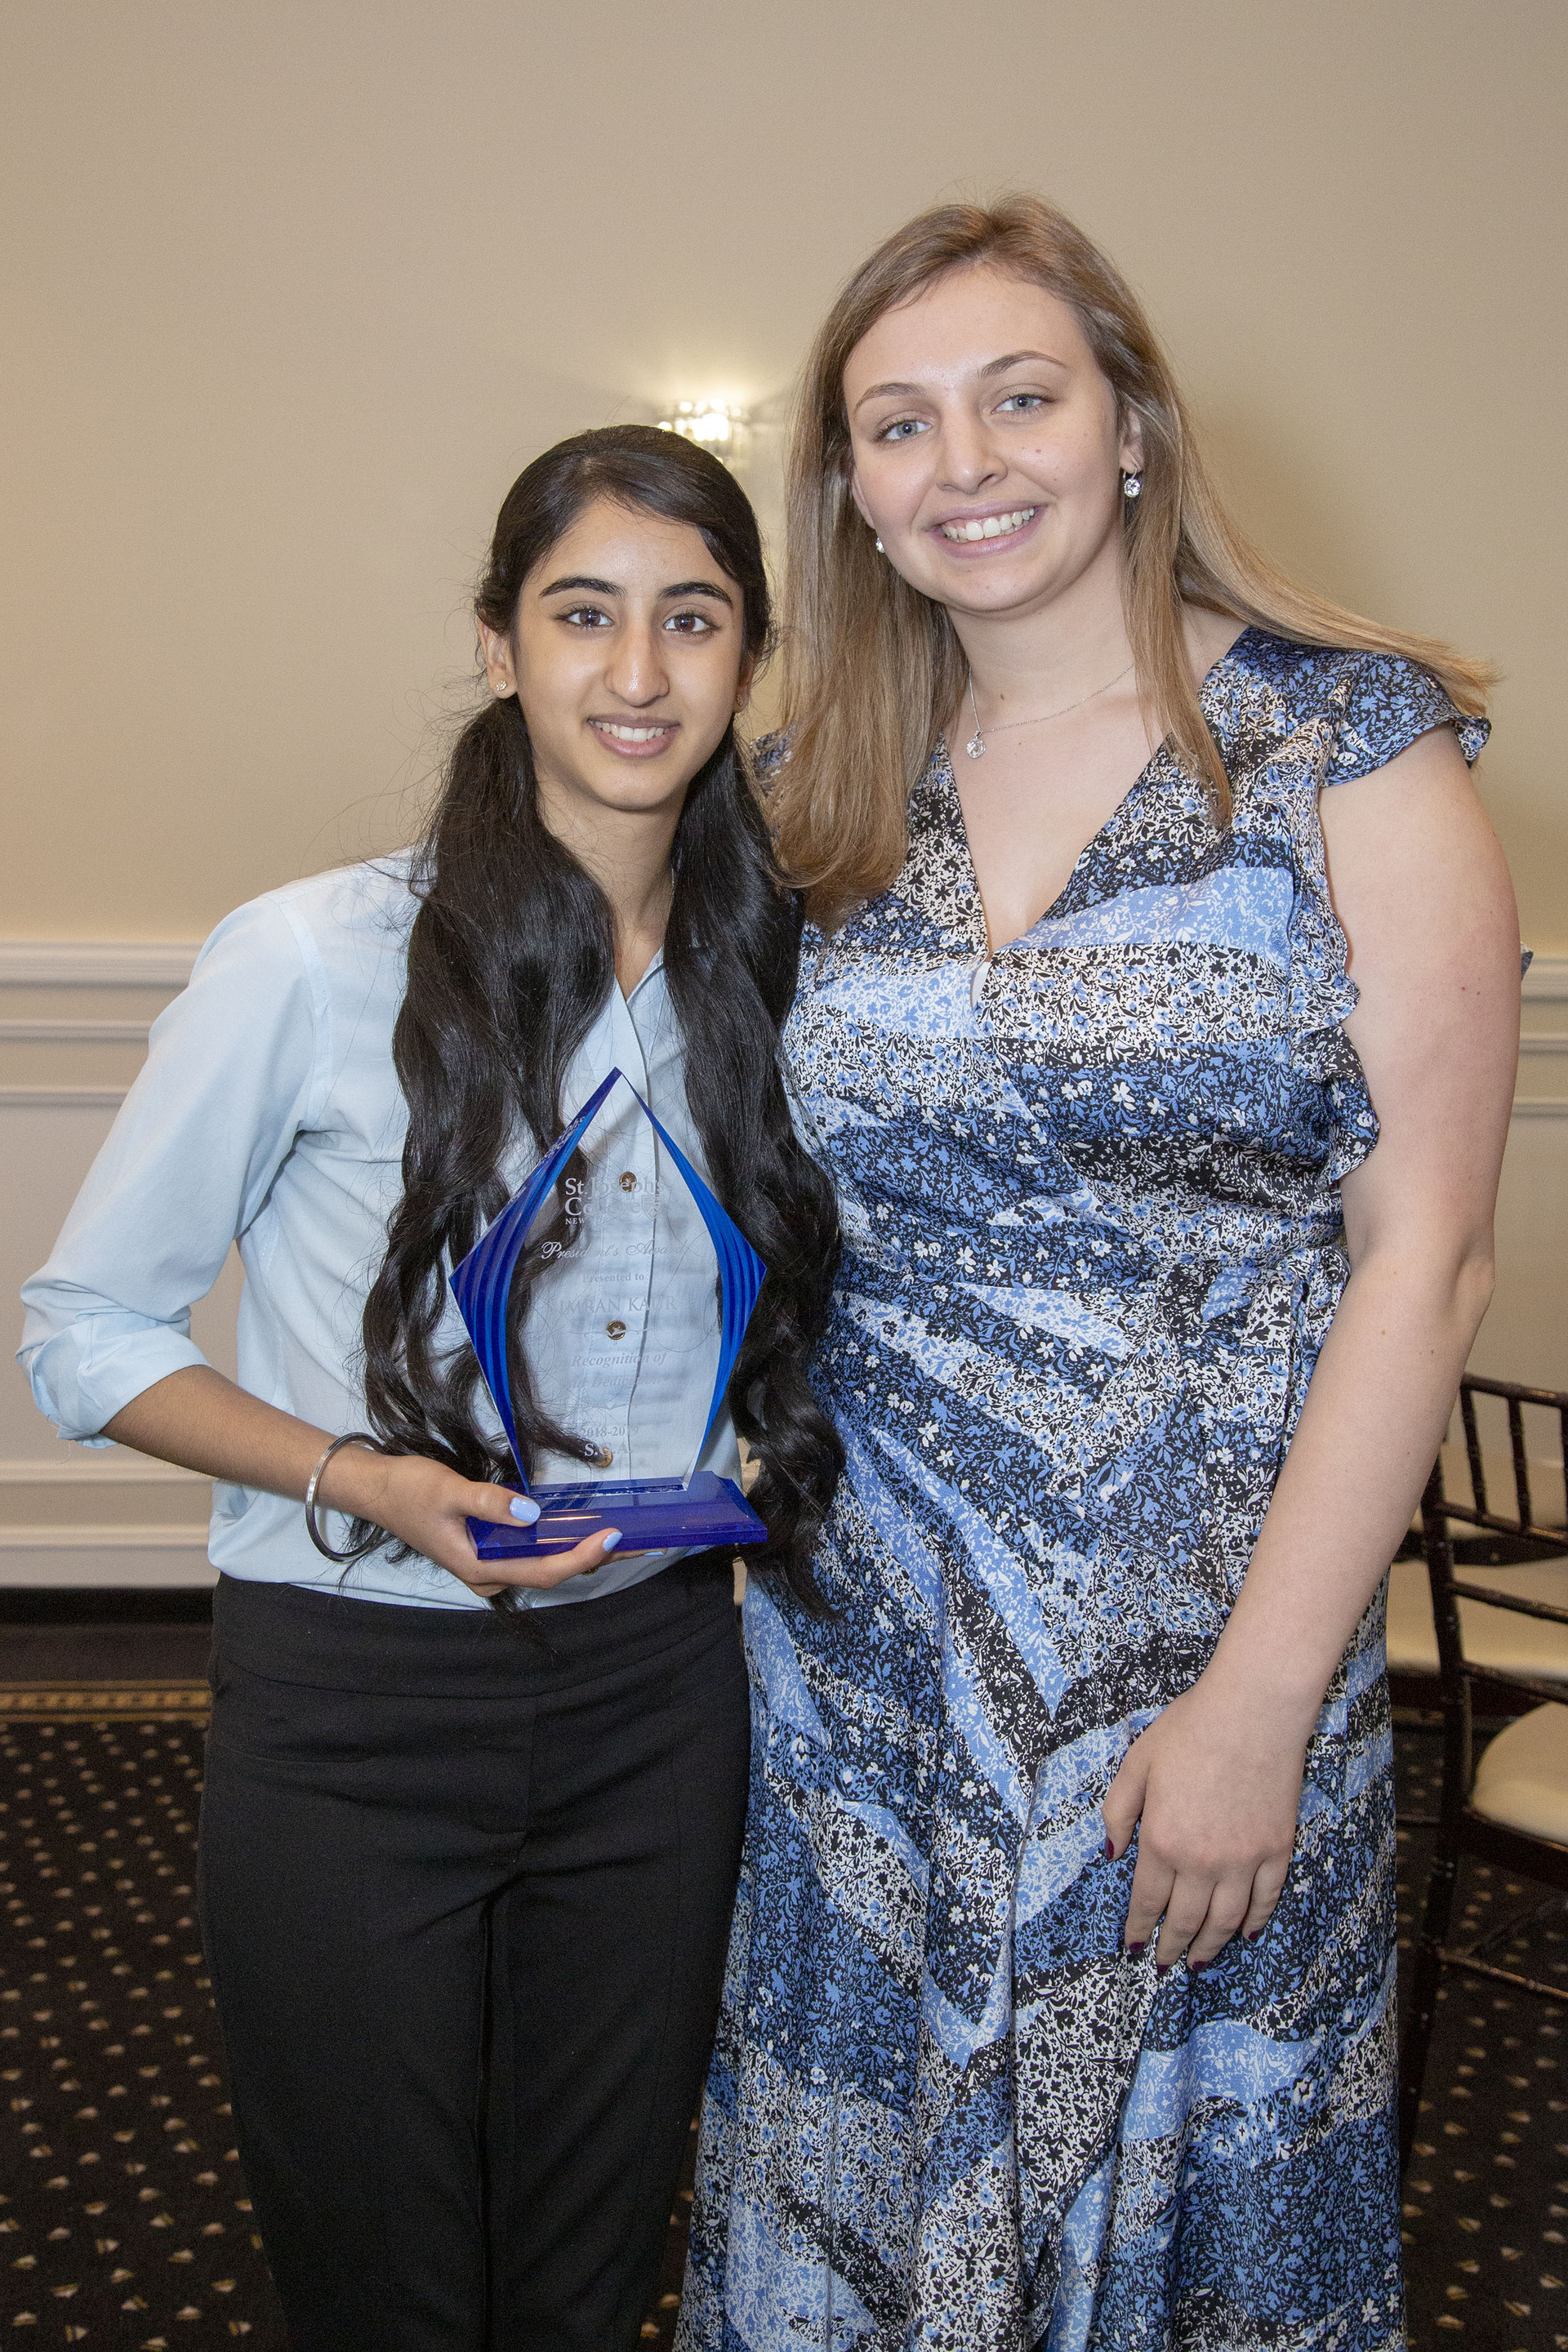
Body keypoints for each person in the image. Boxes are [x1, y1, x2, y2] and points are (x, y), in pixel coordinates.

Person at [679, 198, 1521, 2350]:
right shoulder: (809, 796)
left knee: (1162, 2222)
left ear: (1132, 424)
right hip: (860, 1669)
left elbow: (1423, 1263)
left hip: (1204, 1662)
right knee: (856, 2204)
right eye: (898, 423)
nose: (964, 462)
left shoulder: (1349, 743)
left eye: (1018, 396)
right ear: (850, 492)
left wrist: (1257, 1708)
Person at [20, 425, 841, 2352]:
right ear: (498, 646)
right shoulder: (315, 956)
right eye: (583, 615)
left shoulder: (777, 977)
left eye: (692, 620)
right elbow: (84, 1333)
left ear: (748, 660)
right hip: (356, 1700)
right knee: (382, 2273)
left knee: (586, 2263)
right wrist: (366, 1477)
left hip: (662, 1696)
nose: (638, 675)